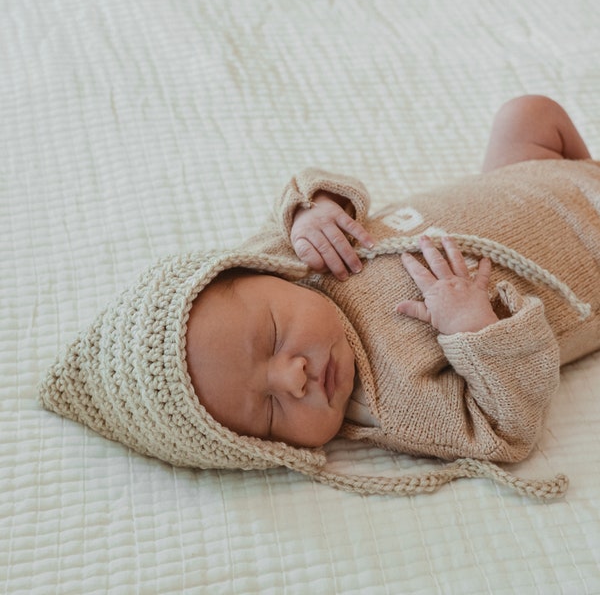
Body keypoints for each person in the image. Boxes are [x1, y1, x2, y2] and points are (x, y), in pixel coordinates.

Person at [39, 96, 600, 499]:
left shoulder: (298, 260)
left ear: (259, 272)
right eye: (269, 411)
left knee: (526, 115)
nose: (293, 379)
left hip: (530, 176)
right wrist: (474, 331)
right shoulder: (393, 403)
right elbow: (509, 430)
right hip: (588, 255)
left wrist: (312, 208)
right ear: (270, 451)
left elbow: (303, 189)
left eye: (274, 338)